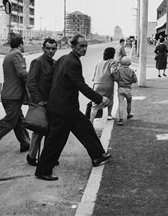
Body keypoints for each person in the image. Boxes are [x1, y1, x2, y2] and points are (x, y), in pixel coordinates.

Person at [35, 34, 112, 181]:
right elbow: (81, 86)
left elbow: (48, 78)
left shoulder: (64, 59)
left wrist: (51, 98)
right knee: (56, 140)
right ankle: (43, 171)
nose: (84, 49)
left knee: (86, 128)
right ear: (73, 46)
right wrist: (100, 98)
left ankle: (98, 155)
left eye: (85, 46)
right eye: (81, 46)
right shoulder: (72, 62)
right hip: (63, 109)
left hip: (65, 107)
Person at [25, 38, 58, 166]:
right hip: (40, 103)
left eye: (53, 48)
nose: (50, 51)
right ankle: (31, 156)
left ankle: (47, 157)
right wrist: (39, 101)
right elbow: (31, 83)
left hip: (51, 102)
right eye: (48, 48)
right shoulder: (37, 62)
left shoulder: (54, 63)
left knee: (50, 131)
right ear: (43, 48)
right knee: (38, 130)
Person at [90, 47, 118, 122]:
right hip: (108, 84)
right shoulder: (113, 61)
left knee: (95, 105)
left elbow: (95, 74)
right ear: (112, 54)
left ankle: (91, 121)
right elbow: (113, 72)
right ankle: (109, 115)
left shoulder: (99, 62)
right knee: (110, 99)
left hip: (97, 84)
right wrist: (116, 78)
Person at [113, 56, 138, 125]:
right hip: (128, 89)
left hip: (120, 89)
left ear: (121, 63)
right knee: (129, 103)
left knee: (121, 104)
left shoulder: (119, 70)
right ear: (129, 63)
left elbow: (116, 78)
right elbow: (135, 80)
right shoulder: (131, 71)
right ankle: (129, 114)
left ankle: (120, 119)